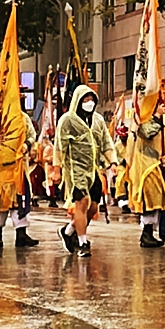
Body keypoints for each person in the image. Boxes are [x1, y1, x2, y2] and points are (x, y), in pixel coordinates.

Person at [55, 85, 115, 257]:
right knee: (82, 203)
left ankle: (68, 231)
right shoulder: (67, 120)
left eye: (92, 100)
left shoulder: (98, 120)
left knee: (93, 207)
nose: (89, 103)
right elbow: (60, 146)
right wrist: (57, 169)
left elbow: (106, 143)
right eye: (85, 100)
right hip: (76, 170)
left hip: (93, 170)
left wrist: (112, 162)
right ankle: (82, 242)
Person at [0, 102, 40, 248]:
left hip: (18, 166)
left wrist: (27, 144)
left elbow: (32, 135)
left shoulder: (23, 117)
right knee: (0, 203)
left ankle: (21, 235)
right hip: (0, 168)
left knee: (19, 200)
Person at [128, 101, 165, 247]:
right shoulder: (142, 118)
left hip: (160, 166)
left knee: (158, 199)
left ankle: (151, 232)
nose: (163, 107)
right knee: (149, 199)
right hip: (146, 167)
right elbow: (146, 133)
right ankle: (146, 232)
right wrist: (156, 118)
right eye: (160, 104)